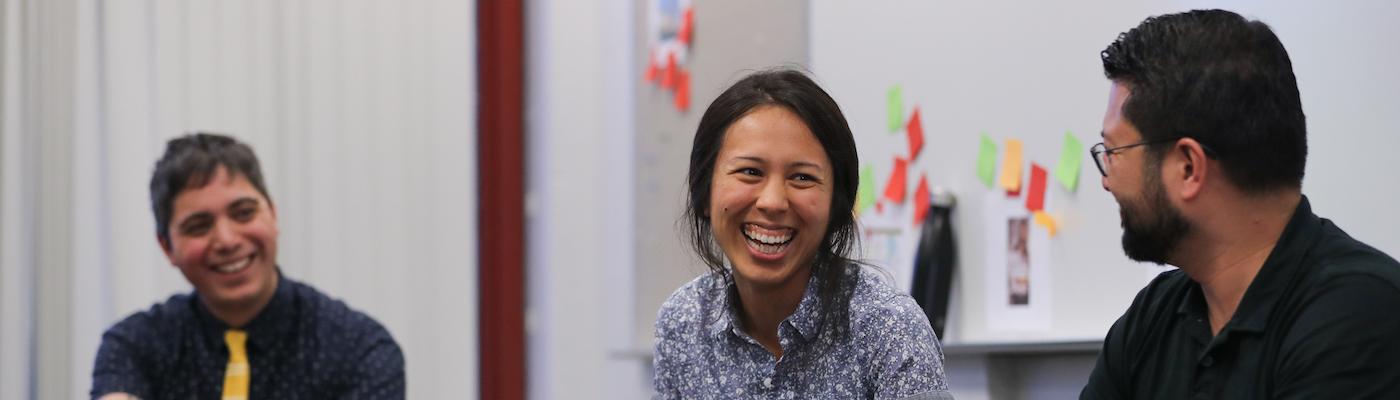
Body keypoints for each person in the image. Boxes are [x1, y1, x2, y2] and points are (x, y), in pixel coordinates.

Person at [1081, 9, 1400, 399]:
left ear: (1188, 167)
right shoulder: (1153, 317)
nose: (1106, 179)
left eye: (1114, 150)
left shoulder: (1360, 313)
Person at [652, 69, 952, 399]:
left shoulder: (888, 330)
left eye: (802, 178)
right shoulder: (684, 323)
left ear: (836, 206)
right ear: (704, 192)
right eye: (750, 172)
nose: (772, 202)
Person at [91, 133, 405, 399]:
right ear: (166, 247)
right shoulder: (134, 347)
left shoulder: (359, 349)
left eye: (243, 213)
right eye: (199, 226)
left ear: (273, 214)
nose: (227, 240)